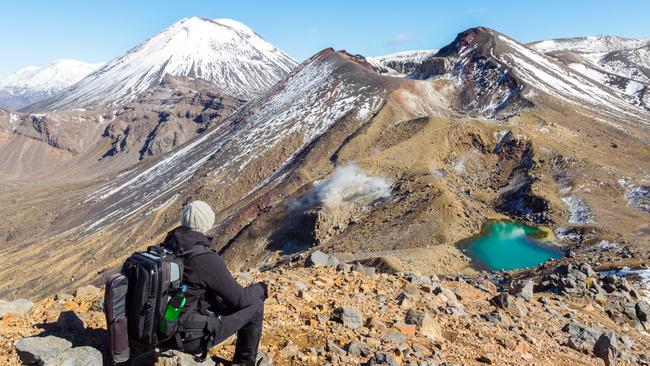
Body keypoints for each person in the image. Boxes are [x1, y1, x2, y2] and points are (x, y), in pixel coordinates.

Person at [162, 200, 268, 366]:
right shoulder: (203, 258)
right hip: (184, 336)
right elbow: (240, 299)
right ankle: (244, 363)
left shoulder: (169, 245)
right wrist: (261, 288)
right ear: (207, 223)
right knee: (255, 305)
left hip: (160, 328)